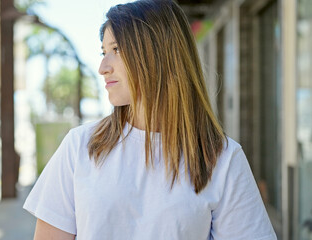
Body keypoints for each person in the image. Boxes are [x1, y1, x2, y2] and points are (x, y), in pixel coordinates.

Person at [23, 0, 277, 239]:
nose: (103, 66)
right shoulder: (80, 146)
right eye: (103, 51)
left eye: (117, 50)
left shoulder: (221, 158)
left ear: (159, 54)